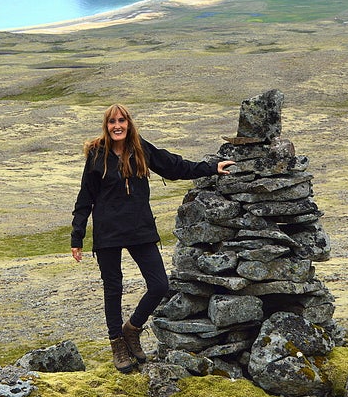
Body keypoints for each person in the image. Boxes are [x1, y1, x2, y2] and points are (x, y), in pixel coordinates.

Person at [70, 104, 235, 373]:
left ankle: (132, 328)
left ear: (129, 123)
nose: (117, 126)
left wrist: (211, 168)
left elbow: (174, 167)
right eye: (112, 122)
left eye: (121, 120)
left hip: (140, 229)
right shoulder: (97, 155)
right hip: (107, 233)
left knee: (159, 285)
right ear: (106, 125)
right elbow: (85, 198)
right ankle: (117, 344)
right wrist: (77, 236)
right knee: (113, 290)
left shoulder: (140, 148)